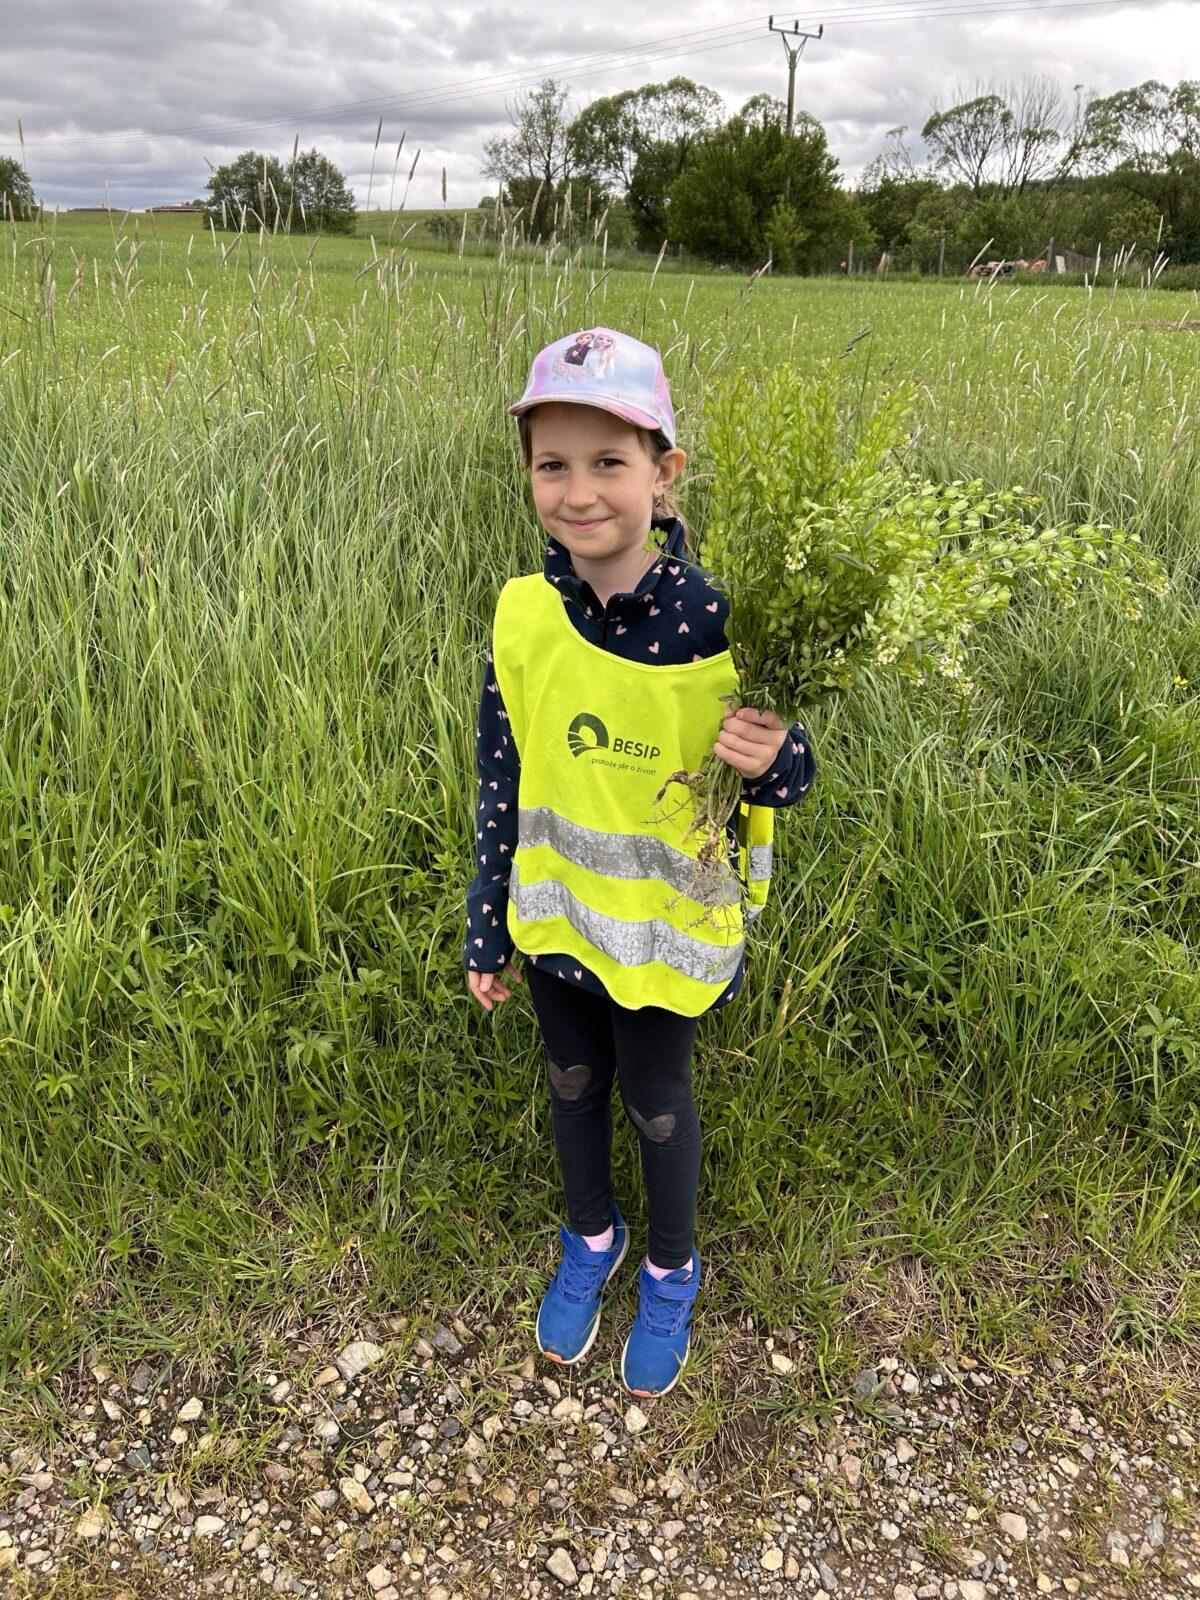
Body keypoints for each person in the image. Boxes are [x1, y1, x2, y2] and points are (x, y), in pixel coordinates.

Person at [463, 326, 817, 1398]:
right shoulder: (524, 615)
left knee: (658, 1103)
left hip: (667, 930)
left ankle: (670, 1267)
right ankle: (592, 1235)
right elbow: (502, 776)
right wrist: (488, 916)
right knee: (572, 1082)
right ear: (529, 473)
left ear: (664, 474)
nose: (578, 493)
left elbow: (788, 776)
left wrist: (773, 756)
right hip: (560, 918)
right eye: (552, 464)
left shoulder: (721, 622)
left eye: (608, 462)